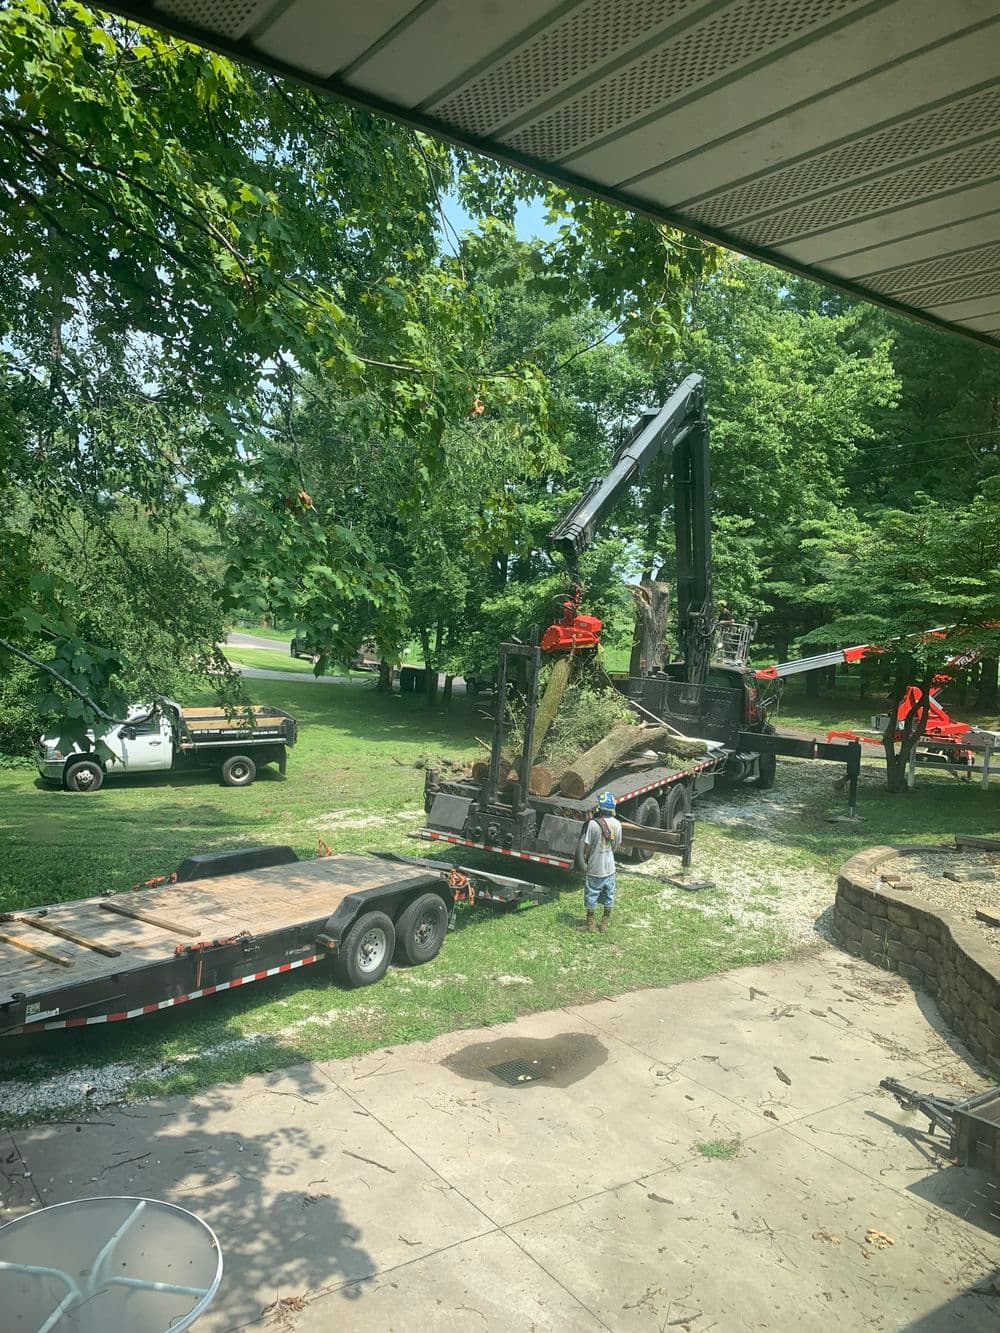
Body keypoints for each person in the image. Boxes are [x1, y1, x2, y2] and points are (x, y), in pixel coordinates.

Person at [580, 792, 622, 933]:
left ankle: (590, 924)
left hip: (595, 868)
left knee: (591, 894)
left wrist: (586, 858)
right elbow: (616, 845)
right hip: (609, 867)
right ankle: (604, 924)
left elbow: (587, 846)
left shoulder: (592, 824)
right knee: (609, 895)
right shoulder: (617, 824)